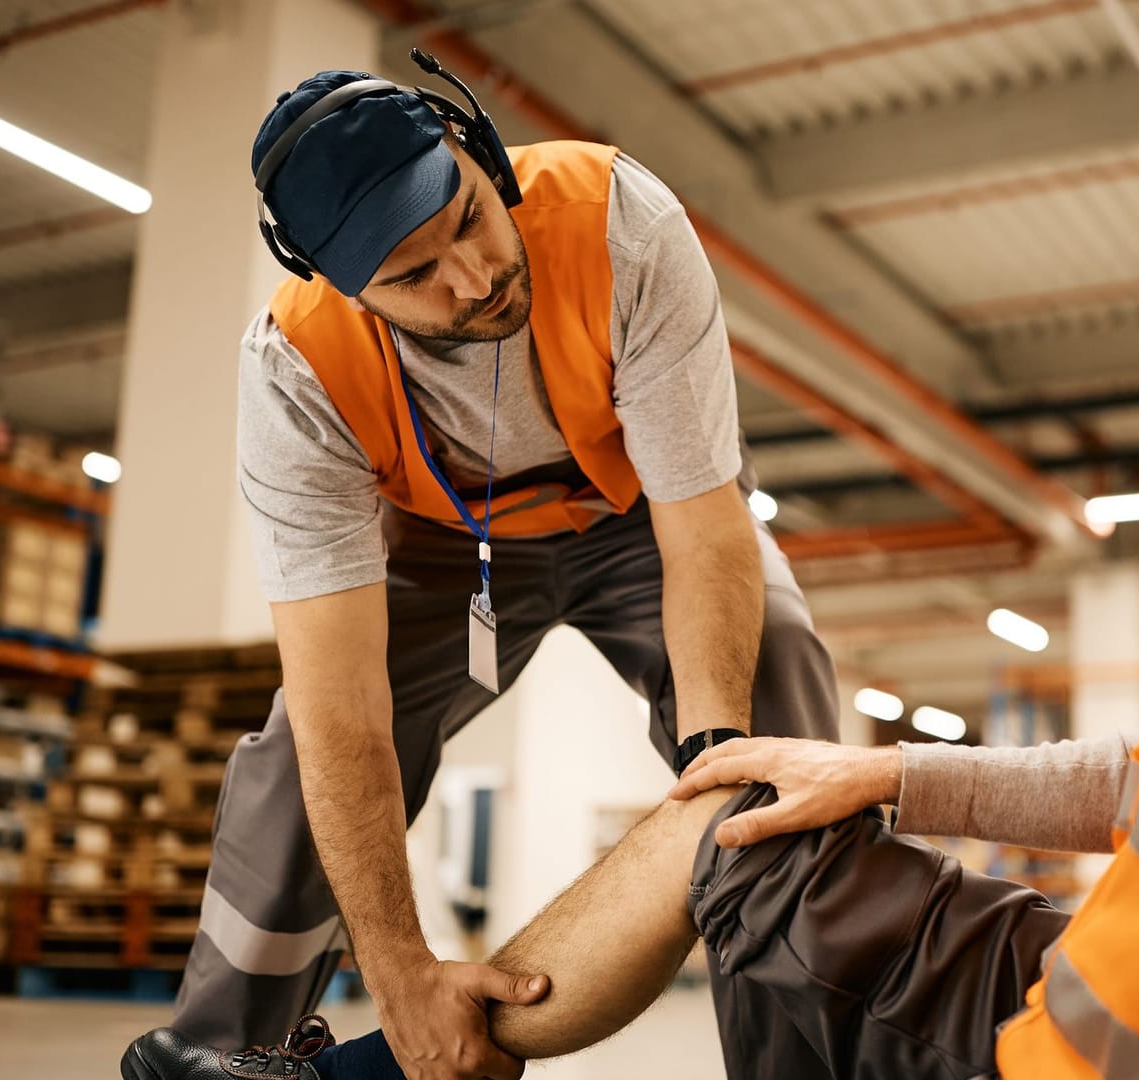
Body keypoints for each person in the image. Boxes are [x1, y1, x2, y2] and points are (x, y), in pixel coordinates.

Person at [127, 18, 1139, 1080]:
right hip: (1108, 986)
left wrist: (735, 735)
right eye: (413, 272)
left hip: (1101, 1044)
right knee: (709, 805)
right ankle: (248, 1047)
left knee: (742, 803)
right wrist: (884, 779)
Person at [167, 50, 840, 1080]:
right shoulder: (298, 372)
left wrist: (721, 760)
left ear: (479, 152)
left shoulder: (622, 225)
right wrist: (401, 982)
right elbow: (342, 705)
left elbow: (704, 531)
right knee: (295, 760)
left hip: (638, 510)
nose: (475, 279)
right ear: (345, 289)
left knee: (774, 700)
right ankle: (216, 1053)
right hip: (447, 543)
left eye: (472, 220)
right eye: (413, 276)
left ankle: (810, 1051)